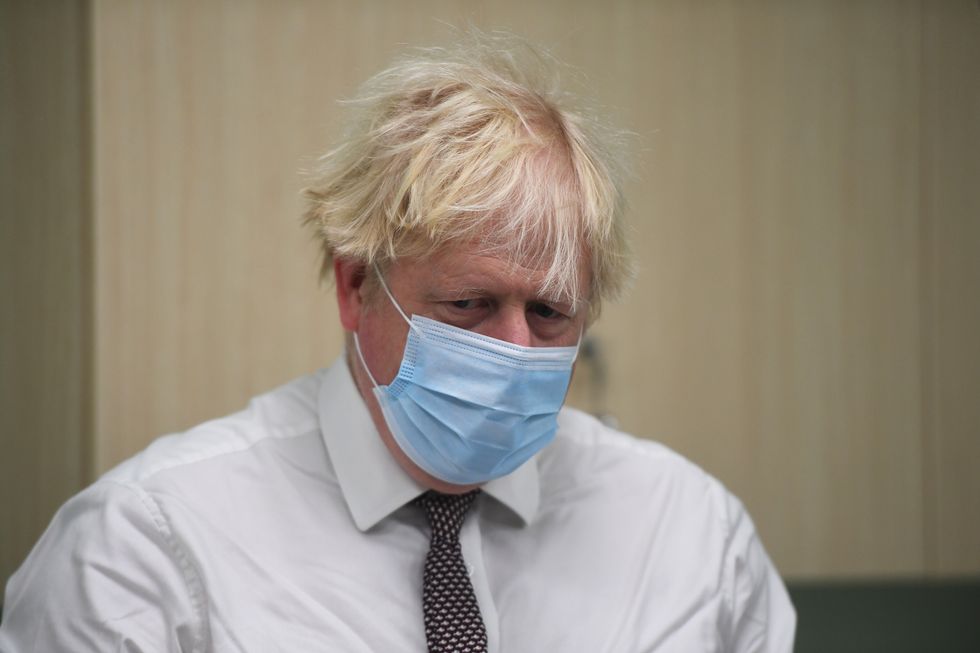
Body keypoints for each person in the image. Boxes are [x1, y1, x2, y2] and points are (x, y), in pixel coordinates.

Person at [0, 34, 795, 652]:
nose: (516, 349)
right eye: (469, 304)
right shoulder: (146, 550)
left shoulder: (691, 535)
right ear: (355, 288)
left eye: (551, 312)